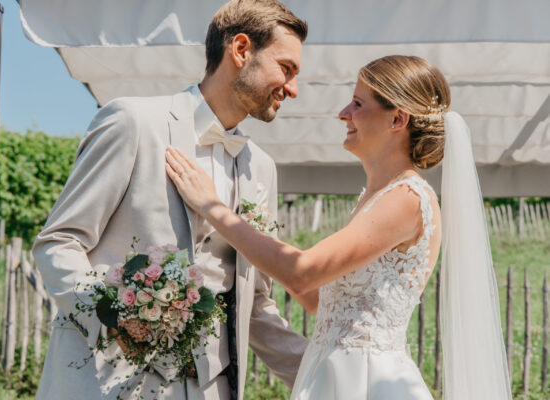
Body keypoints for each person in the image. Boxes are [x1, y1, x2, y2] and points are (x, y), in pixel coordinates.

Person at [165, 55, 513, 399]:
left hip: (367, 381)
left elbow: (302, 272)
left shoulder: (408, 198)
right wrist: (253, 247)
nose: (343, 113)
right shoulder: (374, 198)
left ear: (397, 119)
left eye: (358, 103)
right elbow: (318, 297)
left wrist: (212, 206)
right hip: (334, 374)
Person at [32, 1, 309, 399]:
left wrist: (325, 373)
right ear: (241, 49)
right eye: (287, 68)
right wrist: (115, 317)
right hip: (108, 382)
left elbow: (254, 302)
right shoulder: (132, 122)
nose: (293, 88)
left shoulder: (261, 169)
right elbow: (58, 243)